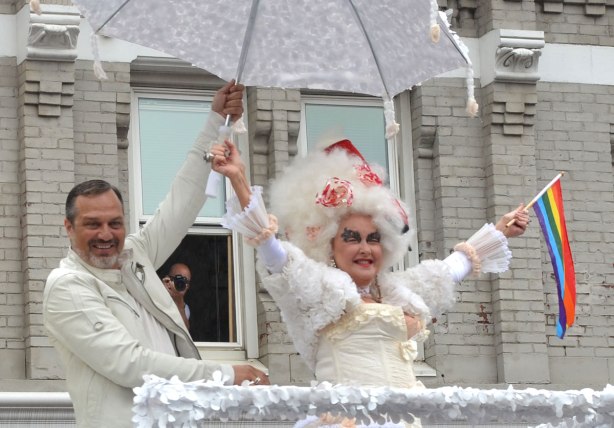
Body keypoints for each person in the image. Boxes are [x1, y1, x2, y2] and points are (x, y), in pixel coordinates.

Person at [211, 137, 529, 427]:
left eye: (373, 239)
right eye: (352, 238)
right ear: (328, 243)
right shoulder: (319, 289)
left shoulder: (399, 291)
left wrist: (501, 229)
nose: (365, 249)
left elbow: (450, 268)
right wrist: (238, 178)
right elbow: (273, 253)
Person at [43, 81, 269, 428]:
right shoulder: (68, 286)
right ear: (68, 227)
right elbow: (131, 364)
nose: (106, 234)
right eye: (92, 224)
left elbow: (181, 201)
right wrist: (226, 373)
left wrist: (216, 121)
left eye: (115, 223)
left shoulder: (136, 254)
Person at [162, 262, 192, 330]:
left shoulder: (184, 308)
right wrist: (160, 289)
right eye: (178, 279)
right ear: (168, 279)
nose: (181, 283)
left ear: (187, 287)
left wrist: (179, 303)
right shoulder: (157, 296)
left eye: (185, 281)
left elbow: (185, 330)